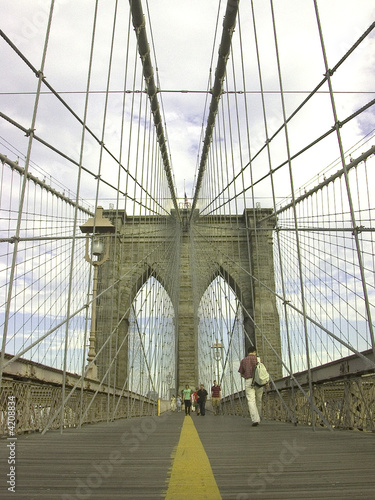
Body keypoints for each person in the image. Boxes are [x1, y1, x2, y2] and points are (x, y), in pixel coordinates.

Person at [238, 346, 265, 426]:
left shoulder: (243, 361)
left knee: (251, 400)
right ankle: (259, 416)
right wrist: (266, 382)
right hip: (259, 381)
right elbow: (263, 371)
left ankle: (255, 419)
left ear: (247, 352)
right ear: (255, 352)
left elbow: (241, 373)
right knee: (259, 400)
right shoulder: (258, 359)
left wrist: (247, 376)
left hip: (249, 381)